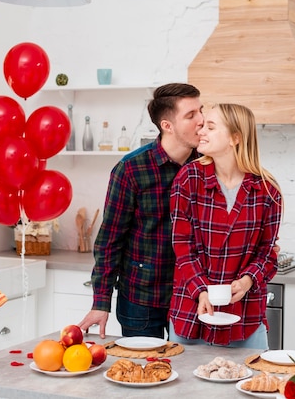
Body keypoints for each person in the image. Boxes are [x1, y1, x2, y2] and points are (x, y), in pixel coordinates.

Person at [78, 83, 204, 339]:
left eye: (201, 111)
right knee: (142, 373)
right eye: (191, 115)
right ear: (167, 125)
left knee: (194, 375)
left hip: (192, 297)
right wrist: (101, 302)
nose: (202, 120)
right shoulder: (131, 169)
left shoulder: (207, 165)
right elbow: (109, 240)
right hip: (141, 300)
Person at [168, 103, 283, 349]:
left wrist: (247, 281)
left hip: (245, 318)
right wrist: (201, 291)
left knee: (251, 384)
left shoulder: (267, 190)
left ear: (235, 138)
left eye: (210, 127)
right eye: (203, 126)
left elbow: (267, 253)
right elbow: (182, 247)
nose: (201, 131)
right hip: (191, 313)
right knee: (187, 387)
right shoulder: (188, 179)